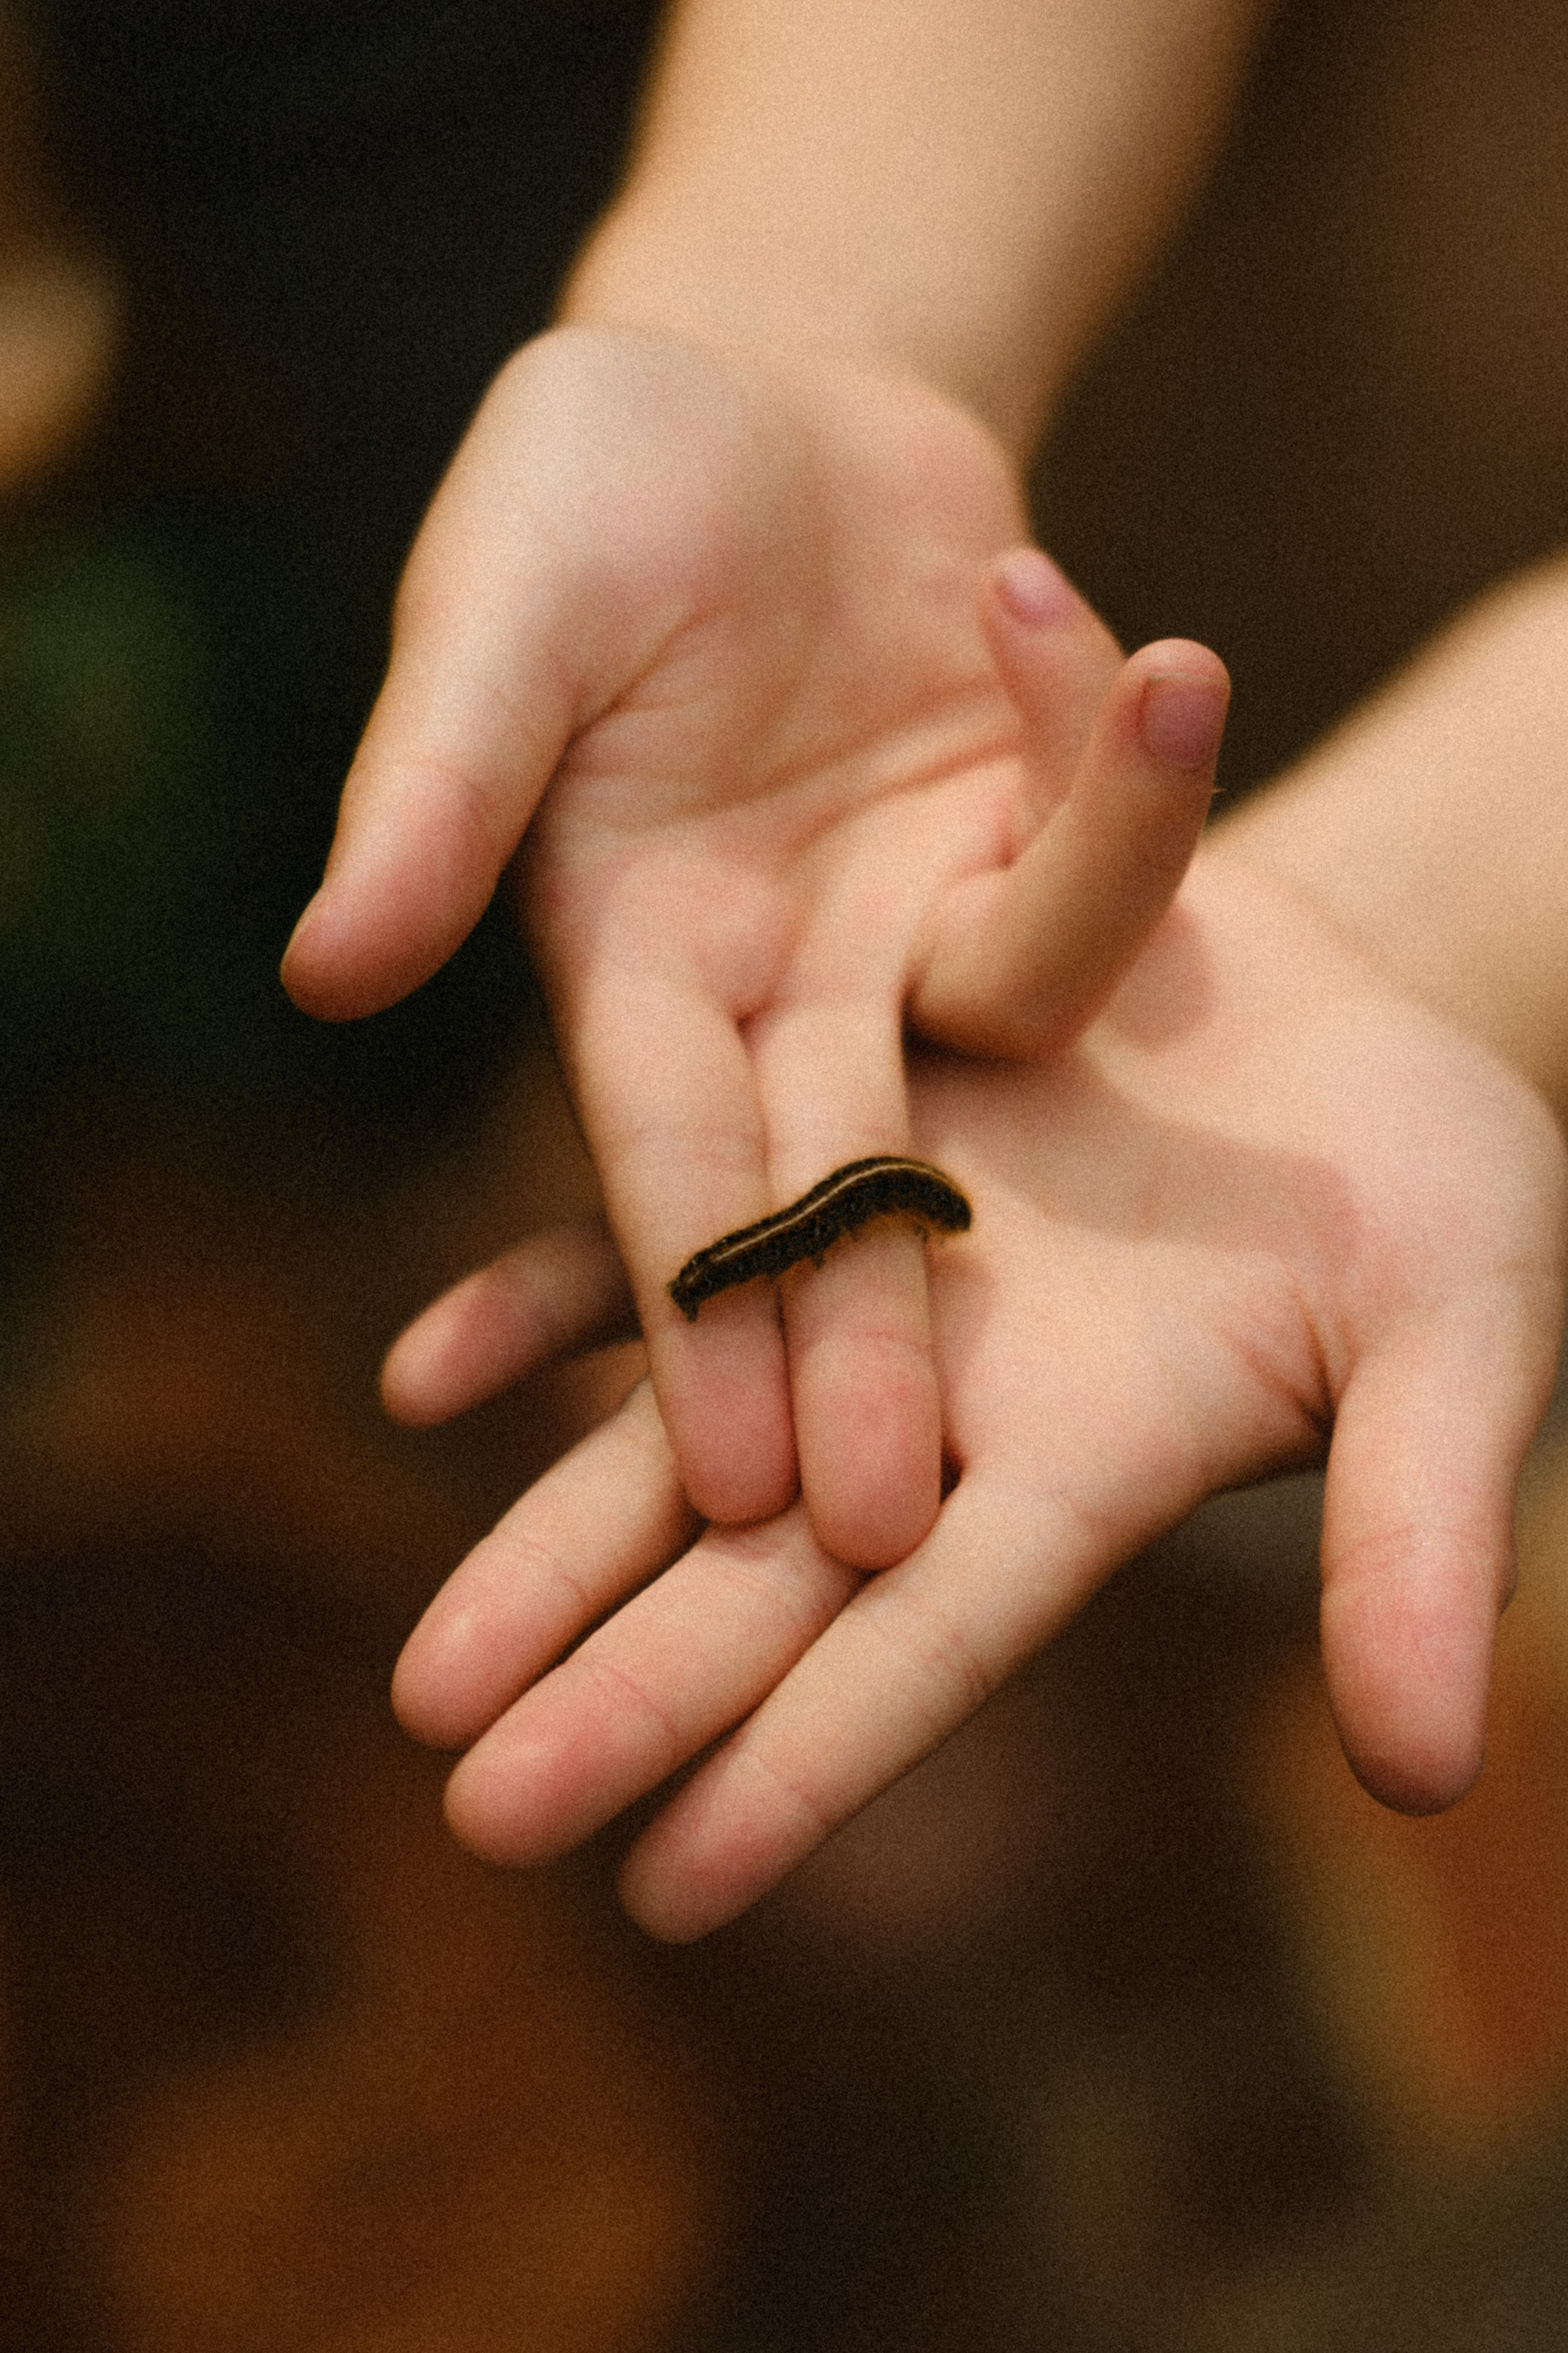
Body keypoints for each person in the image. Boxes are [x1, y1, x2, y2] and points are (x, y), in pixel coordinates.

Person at [282, 0, 1568, 1937]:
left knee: (1221, 1535)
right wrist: (805, 323)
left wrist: (1449, 921)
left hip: (1362, 1043)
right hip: (942, 748)